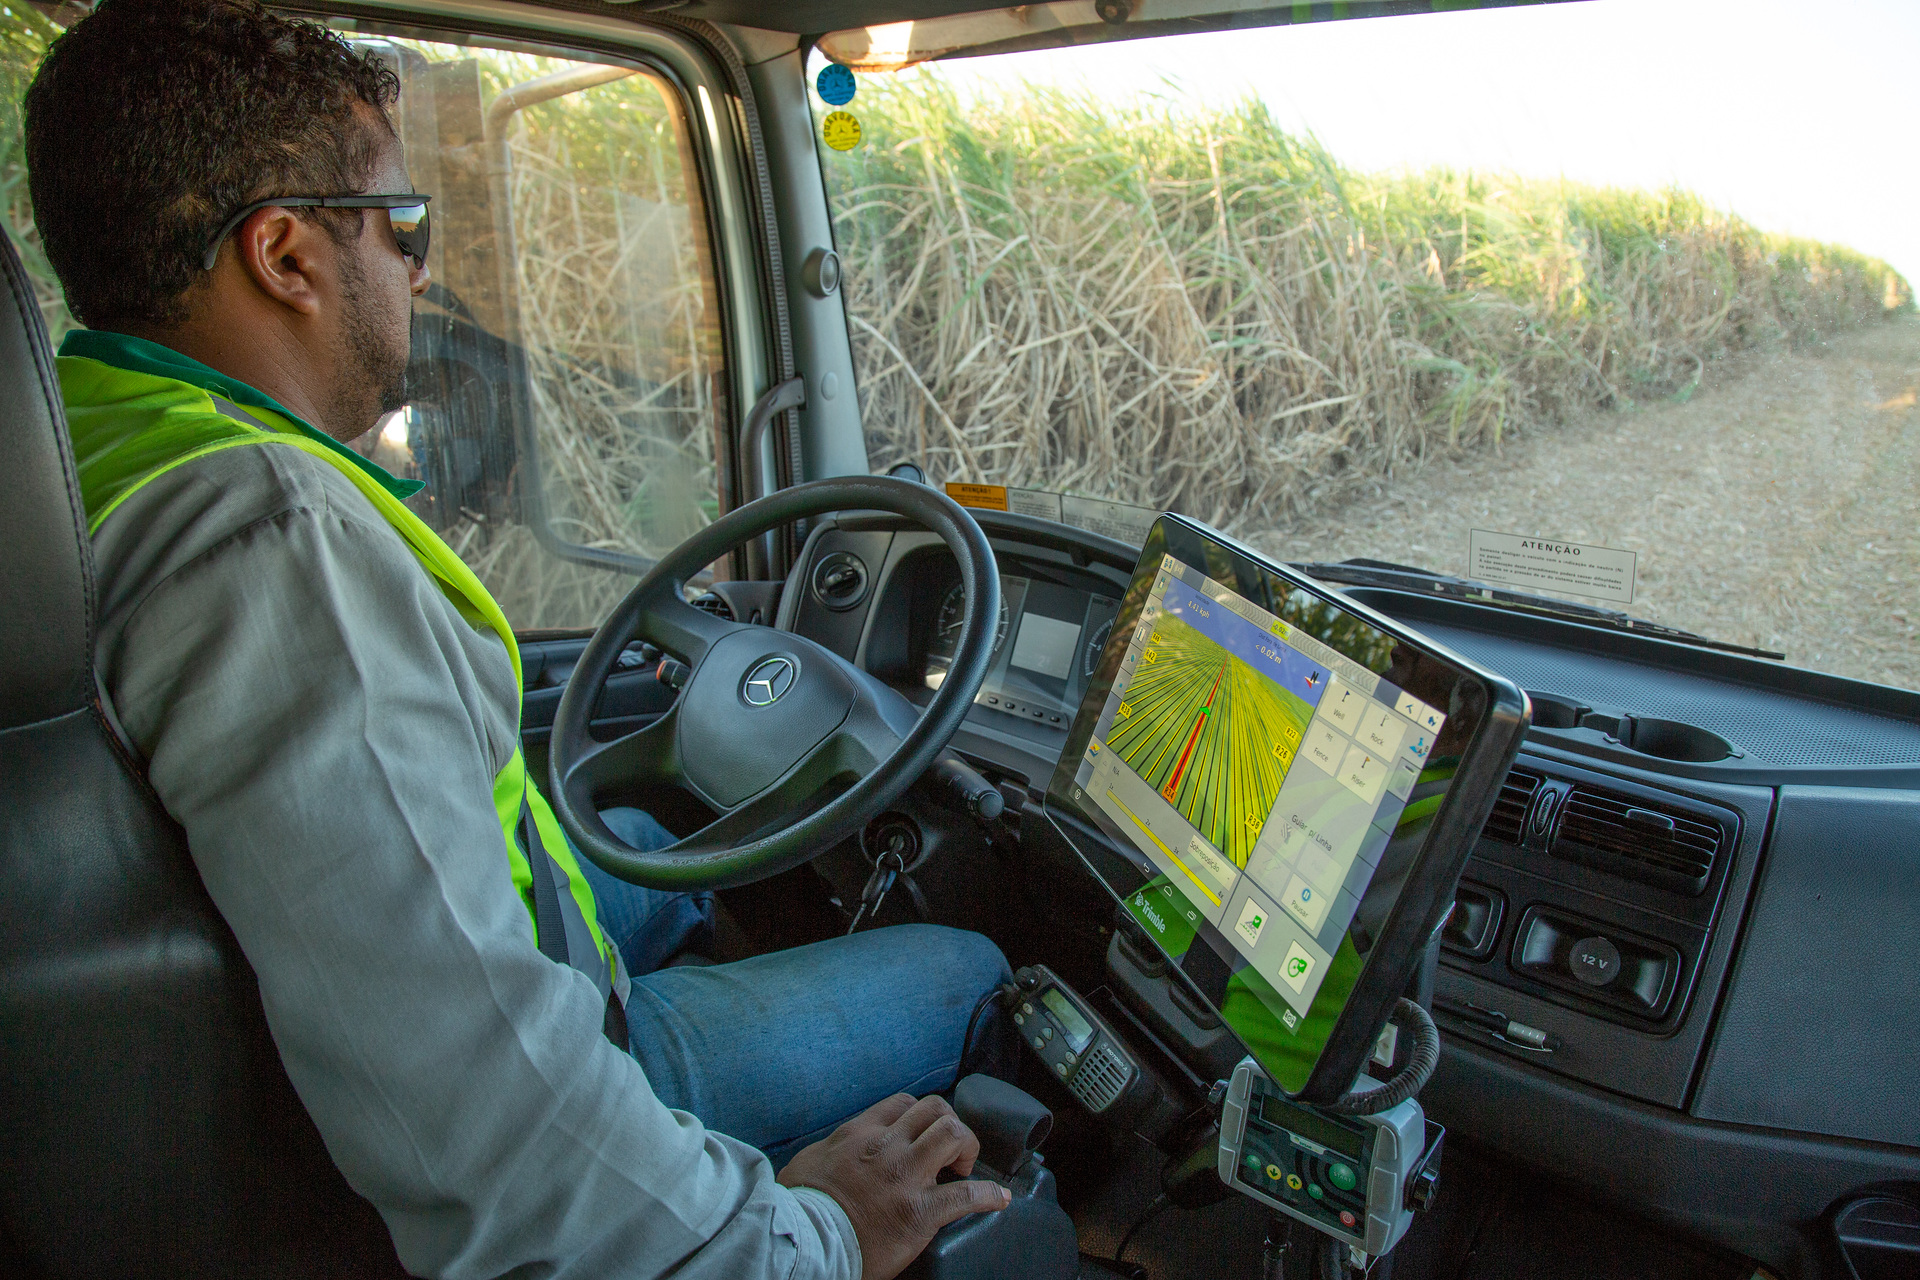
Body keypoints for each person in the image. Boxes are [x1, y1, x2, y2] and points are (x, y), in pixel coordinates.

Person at [21, 2, 1013, 1277]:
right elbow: (498, 1128)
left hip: (373, 985)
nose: (421, 271)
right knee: (972, 961)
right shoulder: (280, 544)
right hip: (557, 1079)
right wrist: (813, 1230)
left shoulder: (94, 437)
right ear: (284, 255)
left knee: (673, 841)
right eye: (404, 226)